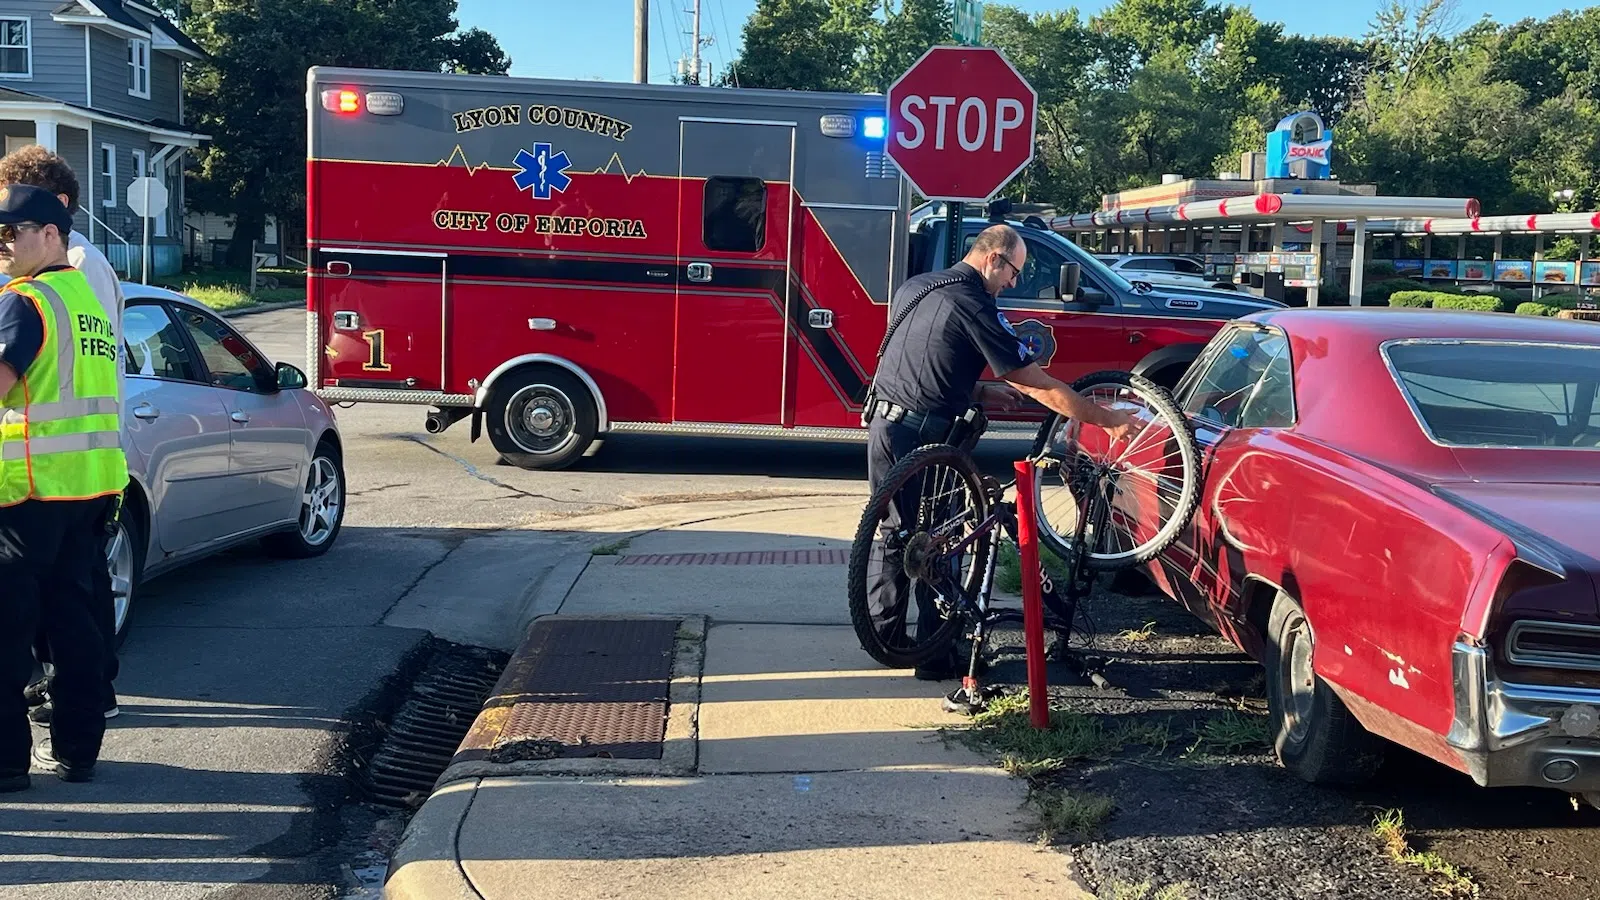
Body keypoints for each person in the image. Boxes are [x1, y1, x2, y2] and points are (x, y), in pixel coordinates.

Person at [863, 223, 1137, 680]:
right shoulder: (973, 302)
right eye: (1013, 271)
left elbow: (928, 357)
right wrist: (1106, 419)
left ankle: (888, 642)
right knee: (938, 539)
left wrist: (979, 390)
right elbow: (1040, 386)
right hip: (926, 437)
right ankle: (936, 655)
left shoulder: (918, 286)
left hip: (884, 427)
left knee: (895, 535)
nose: (1013, 282)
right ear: (993, 258)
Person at [0, 184, 129, 790]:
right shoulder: (85, 300)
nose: (3, 246)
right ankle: (77, 751)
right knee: (75, 623)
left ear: (51, 234)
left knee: (9, 631)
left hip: (27, 493)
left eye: (12, 232)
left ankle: (5, 763)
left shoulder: (25, 302)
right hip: (88, 489)